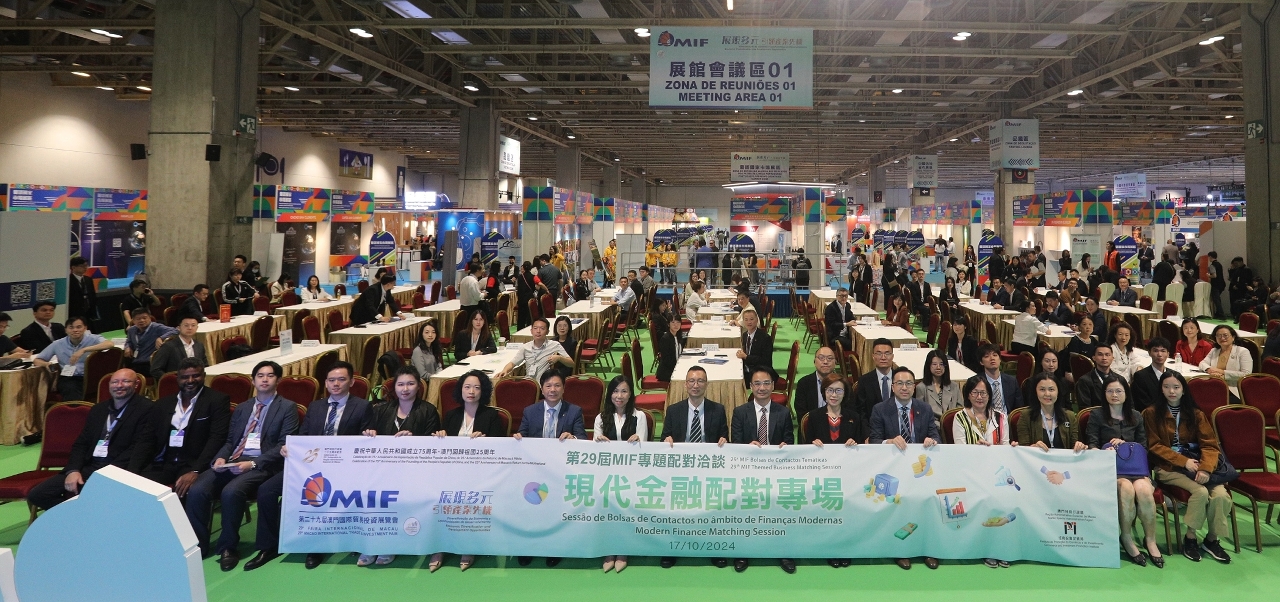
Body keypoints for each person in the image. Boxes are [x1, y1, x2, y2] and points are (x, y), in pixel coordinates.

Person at [244, 362, 372, 572]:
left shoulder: (362, 406)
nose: (336, 384)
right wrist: (289, 447)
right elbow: (302, 437)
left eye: (341, 379)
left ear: (351, 382)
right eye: (331, 380)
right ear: (326, 383)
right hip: (309, 466)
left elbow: (362, 443)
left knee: (318, 493)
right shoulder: (315, 406)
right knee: (266, 490)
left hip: (343, 468)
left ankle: (315, 546)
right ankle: (269, 546)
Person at [185, 361, 299, 569]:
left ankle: (228, 547)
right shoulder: (243, 408)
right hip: (232, 460)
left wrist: (252, 463)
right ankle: (198, 546)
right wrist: (220, 458)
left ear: (278, 380)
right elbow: (230, 441)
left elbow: (283, 445)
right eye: (260, 376)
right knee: (198, 489)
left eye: (270, 376)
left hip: (263, 464)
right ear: (253, 380)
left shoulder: (287, 407)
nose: (265, 379)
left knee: (231, 492)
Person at [350, 365, 440, 567]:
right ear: (394, 387)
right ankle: (371, 543)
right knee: (368, 494)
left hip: (415, 471)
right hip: (383, 470)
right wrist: (369, 434)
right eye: (400, 384)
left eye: (410, 384)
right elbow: (371, 436)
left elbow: (433, 446)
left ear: (419, 386)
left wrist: (414, 439)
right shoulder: (381, 410)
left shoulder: (428, 410)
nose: (405, 389)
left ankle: (389, 544)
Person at [28, 368, 154, 512]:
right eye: (115, 382)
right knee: (38, 494)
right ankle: (79, 518)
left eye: (125, 381)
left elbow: (139, 448)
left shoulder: (147, 409)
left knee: (93, 497)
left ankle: (89, 518)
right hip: (89, 467)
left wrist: (104, 474)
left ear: (136, 384)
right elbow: (81, 443)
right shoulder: (98, 410)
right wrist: (73, 470)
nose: (119, 385)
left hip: (119, 469)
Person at [1144, 371, 1233, 564]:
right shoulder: (1151, 413)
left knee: (1221, 495)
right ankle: (1190, 538)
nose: (1171, 391)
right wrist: (1183, 461)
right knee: (1200, 492)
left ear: (1183, 390)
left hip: (1198, 466)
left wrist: (1205, 468)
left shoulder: (1196, 414)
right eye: (1166, 387)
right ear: (1161, 389)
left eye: (1176, 387)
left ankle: (1211, 540)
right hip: (1168, 468)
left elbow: (1210, 445)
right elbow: (1154, 446)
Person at [1085, 373, 1162, 567]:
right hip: (1111, 471)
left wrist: (1126, 444)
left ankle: (1150, 539)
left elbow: (1143, 447)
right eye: (1110, 391)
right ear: (1104, 394)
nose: (1114, 395)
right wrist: (1104, 451)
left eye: (1119, 391)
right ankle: (1126, 537)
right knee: (1126, 488)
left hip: (1136, 469)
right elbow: (1091, 445)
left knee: (1144, 490)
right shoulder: (1096, 416)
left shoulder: (1136, 416)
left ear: (1126, 393)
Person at [658, 365, 729, 569]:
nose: (695, 385)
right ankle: (672, 548)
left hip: (709, 469)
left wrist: (724, 441)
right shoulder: (674, 410)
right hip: (681, 470)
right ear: (685, 384)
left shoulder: (718, 409)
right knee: (676, 509)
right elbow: (664, 438)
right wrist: (667, 440)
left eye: (700, 381)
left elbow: (725, 437)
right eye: (691, 381)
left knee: (712, 509)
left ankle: (714, 548)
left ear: (707, 384)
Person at [869, 366, 940, 570]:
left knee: (928, 505)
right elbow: (873, 440)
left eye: (909, 383)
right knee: (899, 507)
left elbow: (935, 435)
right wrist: (889, 442)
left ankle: (927, 549)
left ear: (914, 387)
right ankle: (901, 550)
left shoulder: (924, 408)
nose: (904, 387)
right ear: (892, 387)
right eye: (899, 383)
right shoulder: (880, 409)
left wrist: (931, 440)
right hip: (894, 470)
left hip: (920, 470)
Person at [513, 370, 584, 568]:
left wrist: (573, 438)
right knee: (530, 509)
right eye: (548, 386)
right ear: (542, 389)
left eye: (557, 385)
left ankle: (554, 548)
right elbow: (522, 434)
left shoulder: (574, 411)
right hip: (534, 471)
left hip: (561, 471)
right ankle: (527, 548)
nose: (553, 390)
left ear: (564, 388)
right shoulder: (530, 411)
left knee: (555, 511)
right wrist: (518, 437)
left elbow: (582, 439)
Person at [730, 365, 796, 574]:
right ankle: (743, 552)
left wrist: (785, 447)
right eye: (757, 383)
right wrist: (747, 447)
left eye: (766, 383)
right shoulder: (740, 412)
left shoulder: (783, 412)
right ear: (750, 386)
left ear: (773, 385)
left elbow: (789, 441)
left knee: (781, 512)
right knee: (745, 512)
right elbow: (735, 444)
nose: (762, 388)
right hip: (748, 472)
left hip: (776, 472)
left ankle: (784, 552)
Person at [135, 358, 229, 495]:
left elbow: (216, 439)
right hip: (164, 463)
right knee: (137, 490)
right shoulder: (163, 404)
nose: (190, 380)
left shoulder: (217, 401)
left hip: (193, 464)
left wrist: (196, 470)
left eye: (195, 376)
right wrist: (133, 471)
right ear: (178, 378)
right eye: (185, 377)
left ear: (203, 376)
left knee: (181, 493)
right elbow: (147, 439)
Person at [592, 375, 646, 573]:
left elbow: (644, 449)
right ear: (610, 394)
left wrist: (638, 440)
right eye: (615, 391)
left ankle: (623, 549)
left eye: (624, 391)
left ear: (631, 394)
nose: (619, 396)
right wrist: (598, 442)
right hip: (606, 474)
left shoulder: (639, 416)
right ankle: (609, 549)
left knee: (625, 506)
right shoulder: (601, 418)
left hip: (632, 475)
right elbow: (595, 449)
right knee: (605, 506)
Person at [32, 315, 114, 401]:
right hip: (69, 377)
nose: (75, 330)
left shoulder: (93, 339)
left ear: (85, 328)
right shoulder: (57, 344)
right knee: (71, 389)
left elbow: (109, 344)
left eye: (79, 327)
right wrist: (46, 364)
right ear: (66, 330)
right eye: (71, 327)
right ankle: (75, 409)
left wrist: (84, 350)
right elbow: (37, 360)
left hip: (91, 376)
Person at [1018, 373, 1085, 450]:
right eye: (1042, 389)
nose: (1047, 394)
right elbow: (1023, 449)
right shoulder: (1026, 416)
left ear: (1058, 391)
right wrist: (1032, 448)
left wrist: (1079, 446)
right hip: (1036, 457)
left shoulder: (1070, 416)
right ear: (1035, 392)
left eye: (1051, 389)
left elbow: (1074, 446)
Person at [494, 318, 573, 383]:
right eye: (535, 328)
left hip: (544, 385)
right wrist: (505, 370)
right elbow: (512, 363)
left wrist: (559, 358)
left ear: (547, 332)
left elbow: (571, 363)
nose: (538, 331)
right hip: (529, 383)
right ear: (531, 331)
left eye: (542, 328)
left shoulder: (554, 345)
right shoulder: (526, 347)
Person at [1200, 324, 1253, 399]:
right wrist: (1209, 369)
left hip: (1234, 390)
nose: (1222, 338)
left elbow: (1246, 374)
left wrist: (1223, 373)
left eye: (1225, 335)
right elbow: (1202, 363)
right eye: (1219, 336)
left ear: (1233, 337)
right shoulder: (1214, 351)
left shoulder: (1242, 351)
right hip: (1214, 386)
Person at [122, 308, 177, 378]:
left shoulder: (156, 327)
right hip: (135, 361)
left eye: (144, 318)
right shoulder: (131, 330)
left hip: (150, 363)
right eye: (138, 319)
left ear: (150, 318)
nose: (142, 320)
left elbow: (175, 331)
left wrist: (161, 338)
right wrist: (127, 347)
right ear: (133, 320)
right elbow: (129, 341)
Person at [854, 339, 898, 425]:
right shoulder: (864, 381)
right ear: (873, 356)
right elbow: (861, 411)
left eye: (887, 353)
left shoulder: (900, 379)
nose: (883, 357)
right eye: (879, 353)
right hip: (872, 428)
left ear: (892, 356)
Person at [149, 316, 207, 380]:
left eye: (193, 325)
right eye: (186, 325)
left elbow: (205, 365)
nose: (190, 328)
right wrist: (173, 380)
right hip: (176, 382)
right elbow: (155, 369)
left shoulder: (199, 345)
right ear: (179, 328)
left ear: (197, 328)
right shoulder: (169, 346)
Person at [973, 344, 1023, 414]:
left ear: (1000, 359)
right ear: (981, 362)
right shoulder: (975, 382)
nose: (992, 358)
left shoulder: (1011, 381)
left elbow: (1019, 408)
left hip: (1008, 418)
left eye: (995, 355)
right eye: (987, 356)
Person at [793, 346, 839, 420]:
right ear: (814, 362)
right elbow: (802, 414)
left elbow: (849, 412)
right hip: (812, 425)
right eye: (821, 358)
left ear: (835, 363)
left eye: (829, 358)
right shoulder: (804, 383)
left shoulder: (844, 384)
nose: (825, 362)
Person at [916, 349, 962, 421]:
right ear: (928, 366)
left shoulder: (954, 386)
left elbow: (960, 409)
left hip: (952, 423)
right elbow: (920, 412)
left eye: (941, 364)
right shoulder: (921, 387)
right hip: (931, 424)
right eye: (934, 364)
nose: (938, 367)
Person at [1131, 337, 1173, 412]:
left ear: (1168, 354)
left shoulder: (1174, 375)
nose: (1159, 354)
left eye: (1163, 351)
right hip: (1151, 415)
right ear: (1149, 353)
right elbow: (1142, 404)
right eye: (1155, 351)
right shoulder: (1140, 376)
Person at [1076, 344, 1120, 409]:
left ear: (1112, 358)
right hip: (1096, 414)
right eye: (1100, 354)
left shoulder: (1119, 379)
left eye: (1107, 355)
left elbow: (1129, 404)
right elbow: (1085, 409)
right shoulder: (1084, 381)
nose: (1104, 358)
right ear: (1094, 358)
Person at [735, 309, 771, 373]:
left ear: (757, 320)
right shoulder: (745, 335)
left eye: (751, 319)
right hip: (746, 368)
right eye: (746, 320)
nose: (749, 322)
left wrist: (746, 357)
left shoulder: (765, 338)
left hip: (760, 371)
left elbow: (765, 361)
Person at [68, 256, 97, 331]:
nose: (85, 268)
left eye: (86, 265)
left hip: (88, 312)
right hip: (74, 313)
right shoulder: (68, 280)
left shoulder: (88, 279)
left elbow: (92, 295)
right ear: (73, 267)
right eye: (82, 266)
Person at [655, 316, 683, 384]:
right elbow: (666, 360)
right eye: (673, 322)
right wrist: (678, 368)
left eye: (678, 322)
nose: (676, 325)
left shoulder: (678, 336)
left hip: (675, 367)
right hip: (667, 371)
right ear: (668, 324)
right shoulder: (665, 339)